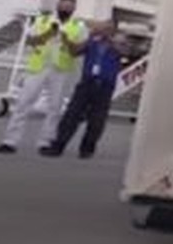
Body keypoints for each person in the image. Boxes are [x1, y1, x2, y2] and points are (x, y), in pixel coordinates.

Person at [0, 0, 88, 154]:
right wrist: (48, 34)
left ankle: (45, 142)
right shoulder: (43, 20)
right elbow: (31, 41)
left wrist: (66, 39)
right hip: (38, 67)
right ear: (57, 5)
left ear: (73, 9)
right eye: (63, 5)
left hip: (59, 70)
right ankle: (10, 141)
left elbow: (78, 51)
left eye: (69, 7)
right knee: (23, 103)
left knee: (55, 107)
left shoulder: (78, 26)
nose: (65, 9)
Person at [41, 17, 126, 159]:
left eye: (108, 27)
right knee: (71, 114)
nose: (105, 29)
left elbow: (126, 52)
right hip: (87, 82)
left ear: (114, 30)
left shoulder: (119, 44)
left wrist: (111, 41)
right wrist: (75, 38)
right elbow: (75, 52)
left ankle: (87, 149)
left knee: (97, 119)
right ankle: (58, 145)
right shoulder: (92, 42)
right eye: (104, 26)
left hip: (104, 86)